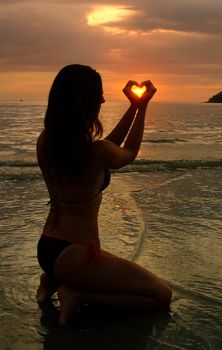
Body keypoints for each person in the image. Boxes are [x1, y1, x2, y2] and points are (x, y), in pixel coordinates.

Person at [36, 64, 172, 326]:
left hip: (49, 248)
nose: (103, 99)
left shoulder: (47, 142)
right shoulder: (95, 153)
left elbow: (107, 148)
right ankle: (77, 294)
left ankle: (50, 280)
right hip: (76, 255)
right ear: (84, 101)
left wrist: (132, 106)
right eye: (98, 94)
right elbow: (128, 152)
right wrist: (143, 107)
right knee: (161, 296)